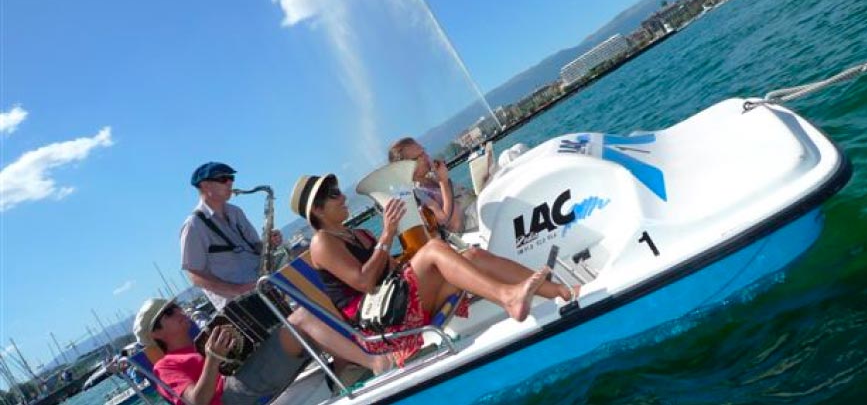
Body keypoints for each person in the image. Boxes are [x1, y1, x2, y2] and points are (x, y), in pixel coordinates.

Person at [290, 173, 576, 366]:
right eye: (334, 194)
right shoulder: (322, 242)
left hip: (399, 305)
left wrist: (406, 245)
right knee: (435, 250)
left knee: (472, 256)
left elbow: (389, 270)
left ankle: (560, 291)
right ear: (317, 210)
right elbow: (364, 282)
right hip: (382, 327)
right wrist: (387, 235)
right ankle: (508, 297)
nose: (343, 197)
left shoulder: (360, 234)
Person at [134, 298, 391, 405]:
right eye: (169, 313)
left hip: (242, 379)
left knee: (295, 314)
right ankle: (375, 363)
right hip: (230, 397)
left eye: (176, 307)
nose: (179, 312)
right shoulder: (164, 368)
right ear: (156, 334)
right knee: (300, 319)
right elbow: (197, 401)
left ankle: (349, 368)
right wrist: (213, 358)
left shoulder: (198, 345)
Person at [180, 162, 281, 310]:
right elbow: (194, 275)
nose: (230, 183)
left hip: (264, 287)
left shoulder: (236, 212)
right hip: (239, 304)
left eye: (231, 178)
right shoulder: (193, 226)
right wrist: (237, 290)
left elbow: (255, 247)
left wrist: (269, 244)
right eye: (223, 179)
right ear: (205, 185)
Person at [387, 138, 476, 234]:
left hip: (474, 209)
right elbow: (444, 220)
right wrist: (443, 182)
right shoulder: (418, 194)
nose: (426, 156)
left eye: (424, 151)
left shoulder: (431, 177)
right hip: (468, 225)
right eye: (419, 156)